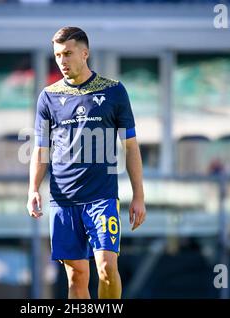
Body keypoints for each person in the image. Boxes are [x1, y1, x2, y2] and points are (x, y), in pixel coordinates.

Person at [26, 26, 146, 299]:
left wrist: (139, 195)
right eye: (57, 55)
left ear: (85, 53)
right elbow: (41, 148)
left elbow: (130, 146)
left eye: (68, 54)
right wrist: (33, 188)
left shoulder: (114, 91)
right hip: (63, 199)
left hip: (101, 198)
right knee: (77, 276)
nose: (62, 61)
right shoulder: (48, 96)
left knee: (106, 267)